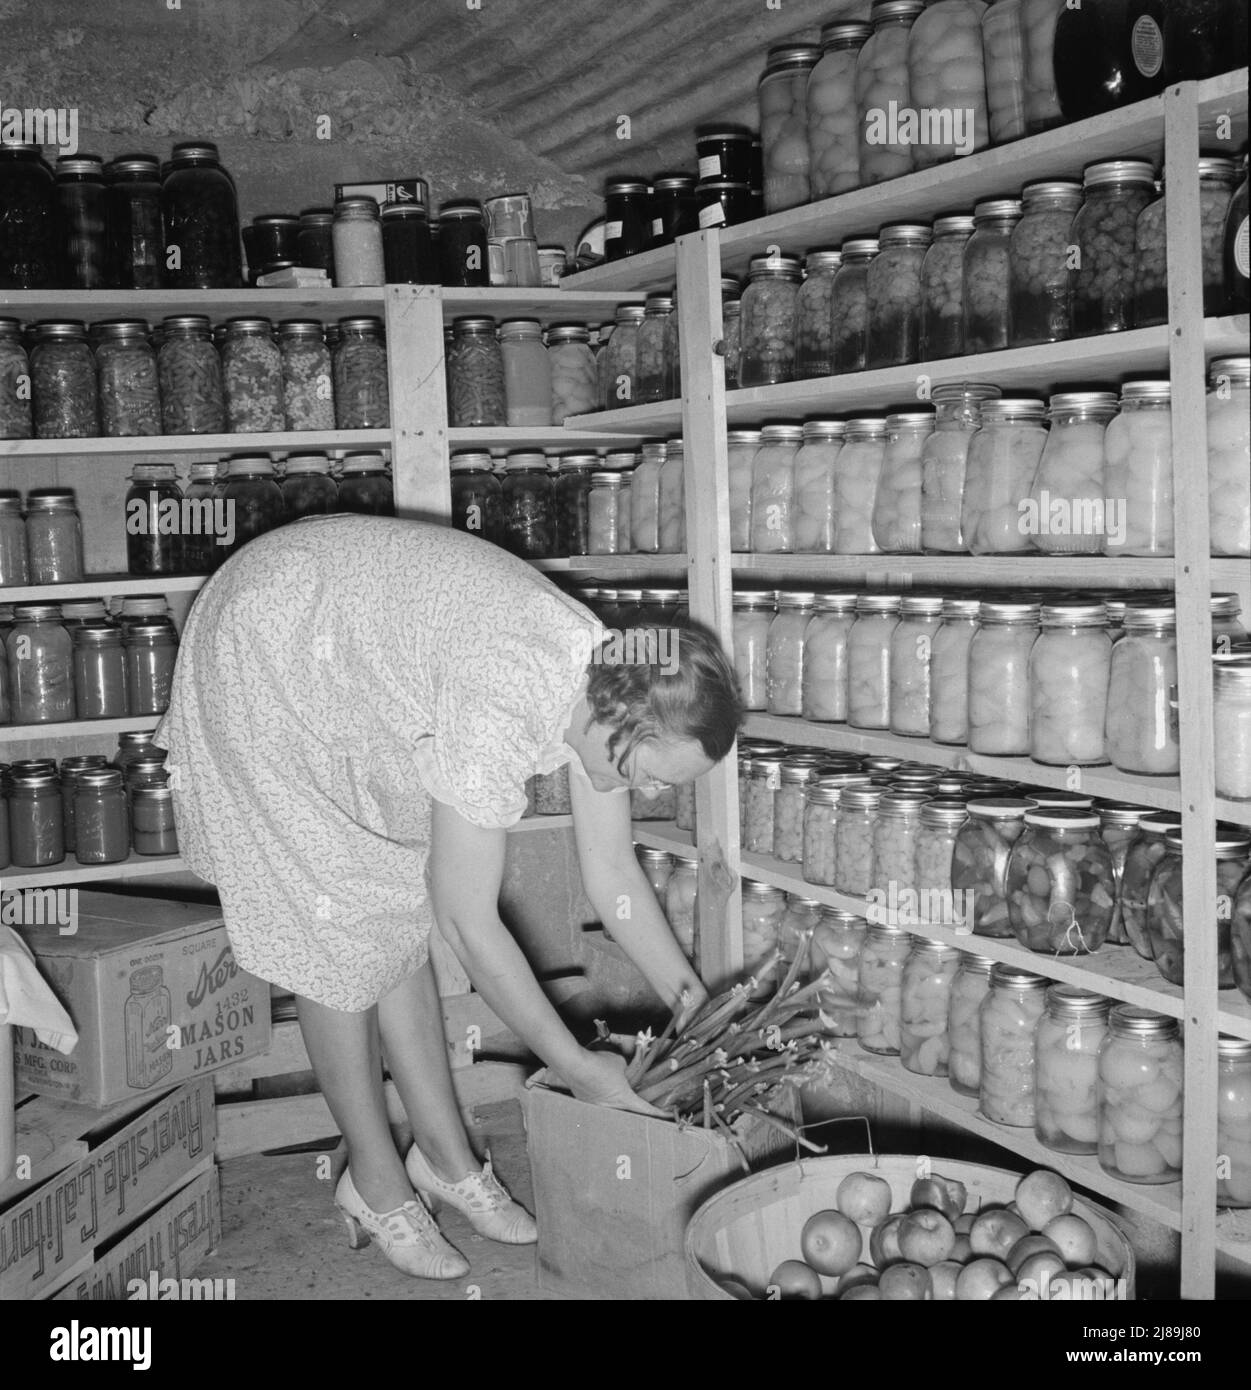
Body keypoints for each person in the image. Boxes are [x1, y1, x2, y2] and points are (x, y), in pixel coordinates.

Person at [155, 514, 742, 1280]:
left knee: (392, 904)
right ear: (617, 719)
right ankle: (375, 1181)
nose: (653, 790)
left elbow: (612, 876)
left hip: (357, 662)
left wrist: (694, 1003)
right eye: (653, 773)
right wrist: (573, 1061)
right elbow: (468, 926)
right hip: (271, 641)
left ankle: (445, 1160)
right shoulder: (504, 697)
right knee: (334, 933)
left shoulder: (609, 683)